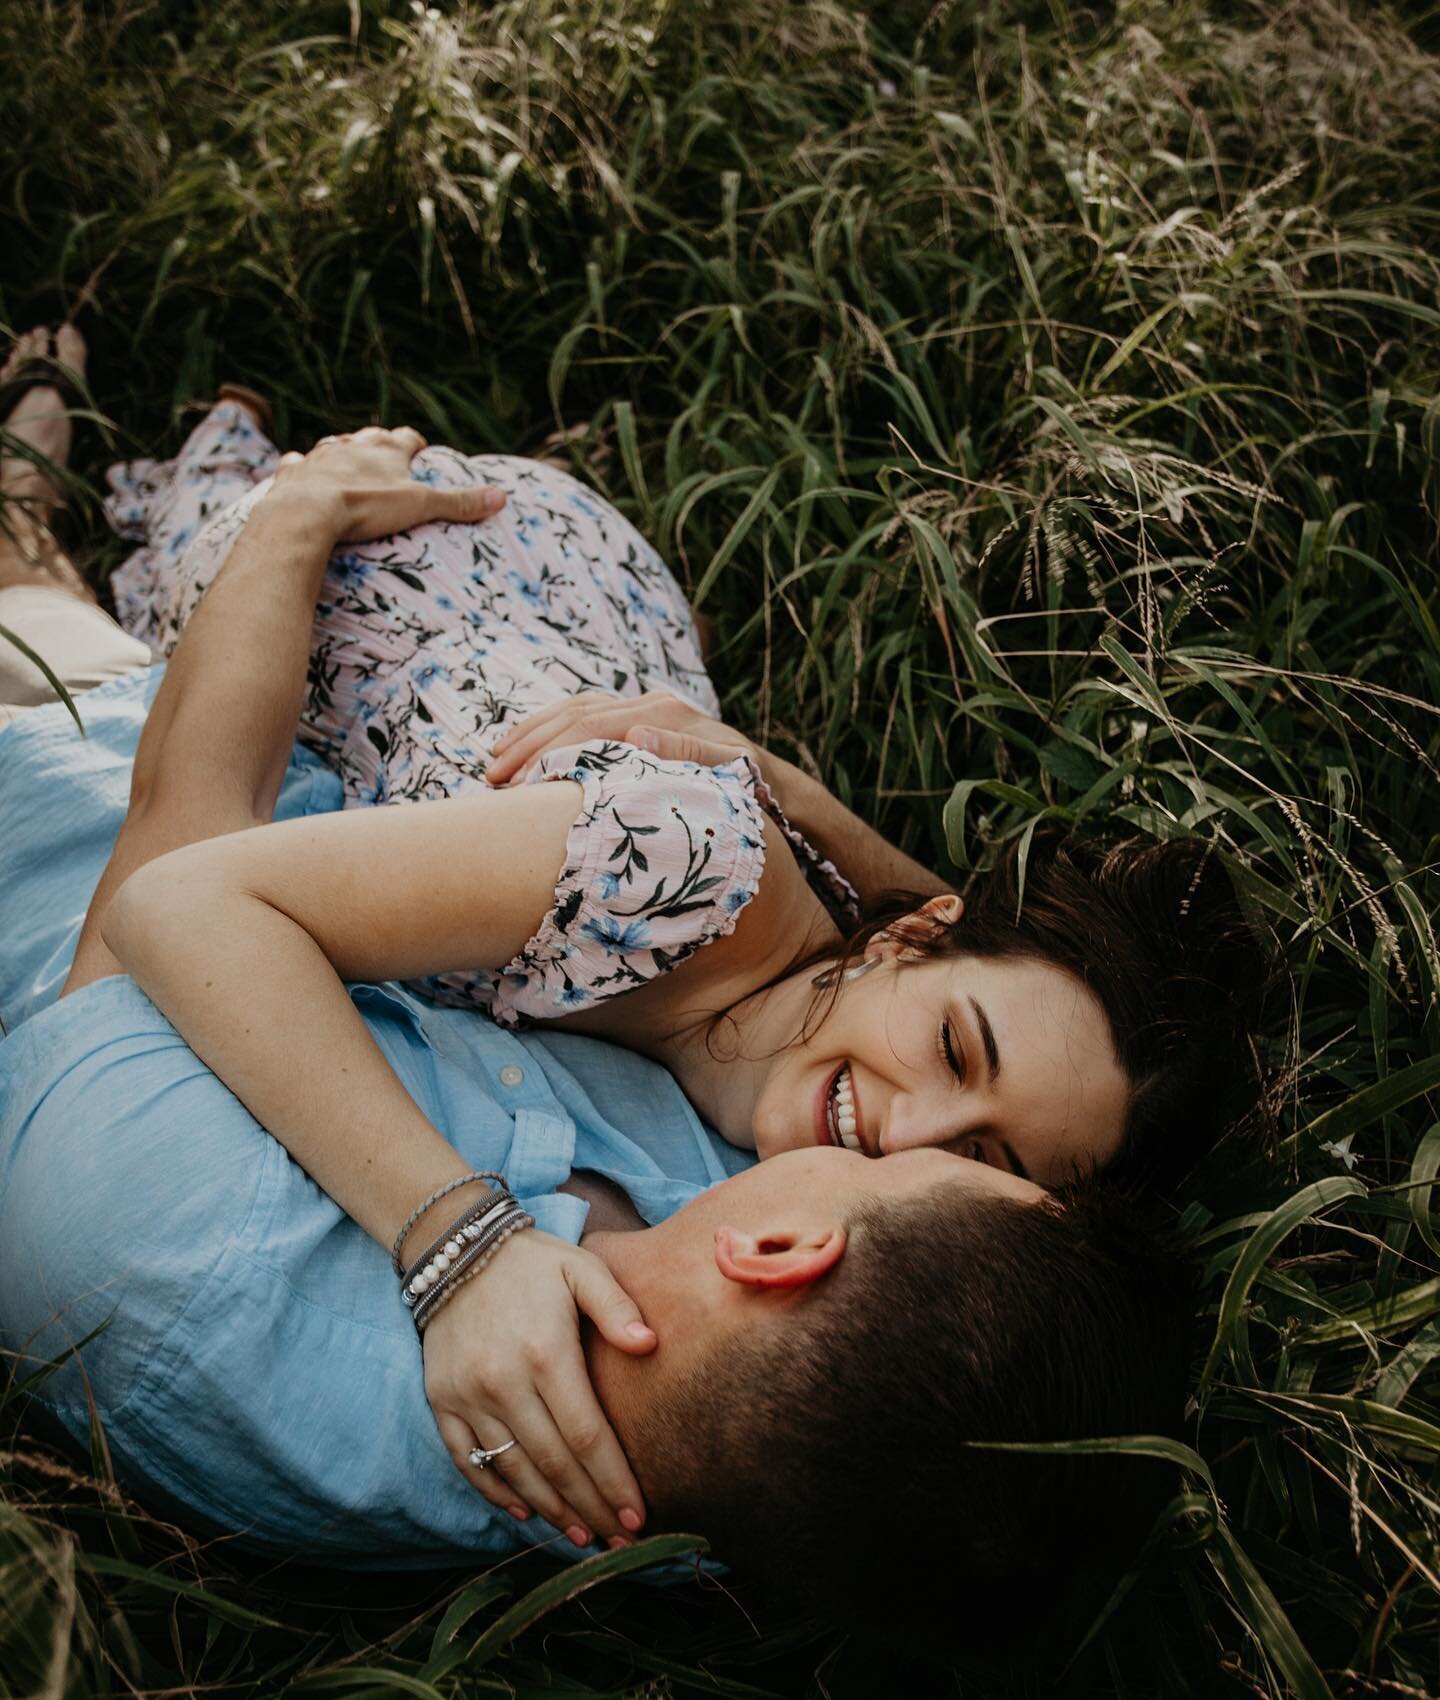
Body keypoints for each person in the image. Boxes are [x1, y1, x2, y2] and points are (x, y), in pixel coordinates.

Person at [0, 335, 1190, 1631]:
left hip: (70, 777)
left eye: (959, 1167)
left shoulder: (156, 1256)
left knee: (38, 604)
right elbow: (930, 974)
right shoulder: (768, 1424)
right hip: (396, 731)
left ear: (783, 1249)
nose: (897, 1134)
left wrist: (457, 1239)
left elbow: (189, 837)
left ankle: (43, 485)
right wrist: (790, 800)